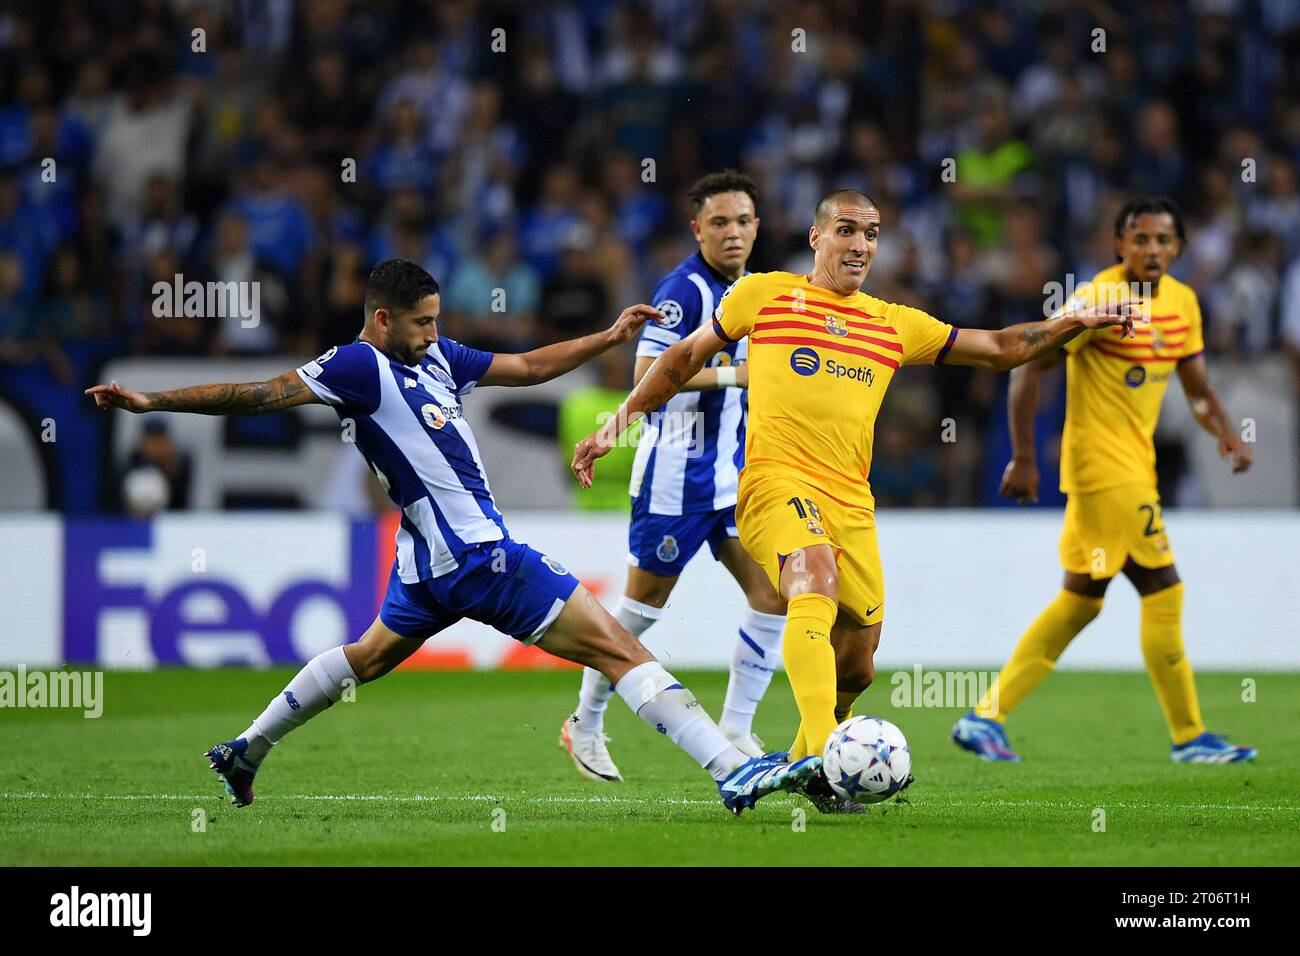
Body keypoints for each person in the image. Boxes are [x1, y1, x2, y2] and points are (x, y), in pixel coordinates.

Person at [86, 258, 821, 815]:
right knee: (618, 647)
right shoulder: (356, 365)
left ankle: (246, 750)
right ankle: (732, 769)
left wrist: (608, 336)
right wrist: (154, 399)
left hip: (425, 565)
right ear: (381, 319)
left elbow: (528, 367)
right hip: (480, 556)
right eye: (422, 322)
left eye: (437, 320)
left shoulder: (432, 357)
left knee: (367, 656)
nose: (435, 333)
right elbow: (258, 394)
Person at [572, 190, 1138, 808]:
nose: (861, 245)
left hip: (851, 504)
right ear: (817, 238)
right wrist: (615, 425)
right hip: (773, 484)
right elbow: (681, 360)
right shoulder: (765, 295)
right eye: (847, 231)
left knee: (859, 661)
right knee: (812, 579)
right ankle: (823, 757)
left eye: (871, 234)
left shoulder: (895, 323)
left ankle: (791, 761)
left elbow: (1001, 349)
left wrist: (1071, 324)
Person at [953, 197, 1257, 764]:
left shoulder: (1184, 304)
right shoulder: (1098, 300)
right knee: (1164, 589)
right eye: (1140, 239)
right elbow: (1028, 366)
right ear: (1119, 245)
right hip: (1103, 468)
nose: (1152, 250)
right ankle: (1190, 738)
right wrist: (1023, 457)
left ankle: (983, 717)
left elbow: (1194, 387)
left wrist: (1226, 432)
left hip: (1133, 468)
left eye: (1163, 241)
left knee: (1082, 600)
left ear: (1179, 248)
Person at [561, 170, 788, 784]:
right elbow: (646, 377)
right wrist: (737, 378)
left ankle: (737, 727)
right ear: (698, 230)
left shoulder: (759, 289)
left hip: (735, 477)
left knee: (773, 595)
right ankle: (584, 722)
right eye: (719, 223)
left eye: (743, 221)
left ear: (757, 226)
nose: (733, 232)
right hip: (675, 476)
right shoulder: (682, 291)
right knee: (643, 607)